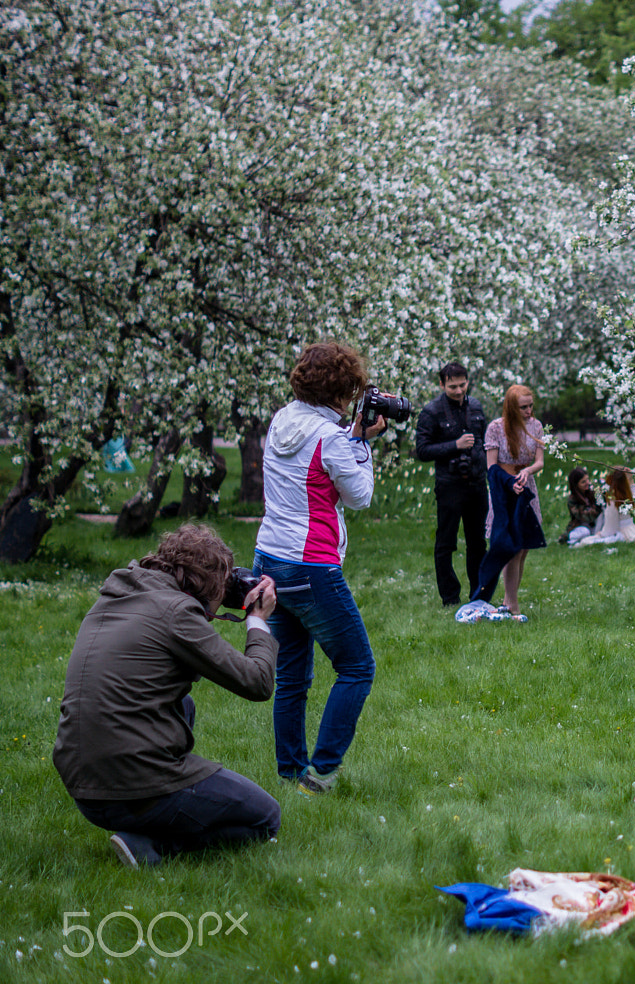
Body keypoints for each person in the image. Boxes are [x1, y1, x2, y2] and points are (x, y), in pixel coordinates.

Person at [52, 524, 280, 867]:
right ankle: (151, 842)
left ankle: (150, 818)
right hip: (128, 785)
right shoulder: (176, 613)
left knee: (183, 703)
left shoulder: (118, 593)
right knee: (265, 817)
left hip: (83, 783)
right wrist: (257, 620)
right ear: (210, 584)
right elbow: (257, 682)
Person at [253, 340, 389, 795]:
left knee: (292, 675)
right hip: (310, 564)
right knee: (357, 667)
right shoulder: (331, 437)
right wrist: (362, 444)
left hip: (269, 558)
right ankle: (322, 774)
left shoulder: (281, 419)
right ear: (339, 391)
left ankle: (290, 772)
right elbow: (360, 496)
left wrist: (349, 435)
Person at [414, 362, 490, 607]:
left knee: (477, 542)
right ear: (442, 384)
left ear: (468, 382)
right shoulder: (431, 411)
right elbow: (422, 451)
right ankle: (450, 598)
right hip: (449, 486)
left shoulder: (476, 406)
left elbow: (484, 441)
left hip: (477, 484)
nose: (458, 391)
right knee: (446, 543)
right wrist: (454, 445)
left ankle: (478, 595)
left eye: (462, 385)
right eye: (452, 386)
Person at [471, 384, 547, 619]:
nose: (528, 411)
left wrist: (527, 473)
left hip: (525, 488)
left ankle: (508, 600)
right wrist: (509, 481)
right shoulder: (496, 428)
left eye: (530, 406)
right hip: (504, 488)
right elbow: (491, 466)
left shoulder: (535, 426)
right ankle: (512, 605)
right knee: (511, 547)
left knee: (523, 548)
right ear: (511, 407)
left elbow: (539, 461)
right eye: (523, 407)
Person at [574, 466, 635, 545]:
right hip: (633, 533)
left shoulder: (614, 502)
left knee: (586, 541)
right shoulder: (628, 495)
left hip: (622, 536)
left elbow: (611, 529)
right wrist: (631, 480)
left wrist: (601, 534)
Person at [564, 466, 602, 545]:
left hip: (593, 526)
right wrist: (598, 508)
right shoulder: (573, 500)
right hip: (580, 526)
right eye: (583, 482)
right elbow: (585, 516)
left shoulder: (591, 493)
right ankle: (569, 539)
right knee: (585, 532)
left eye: (587, 479)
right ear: (576, 485)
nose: (587, 483)